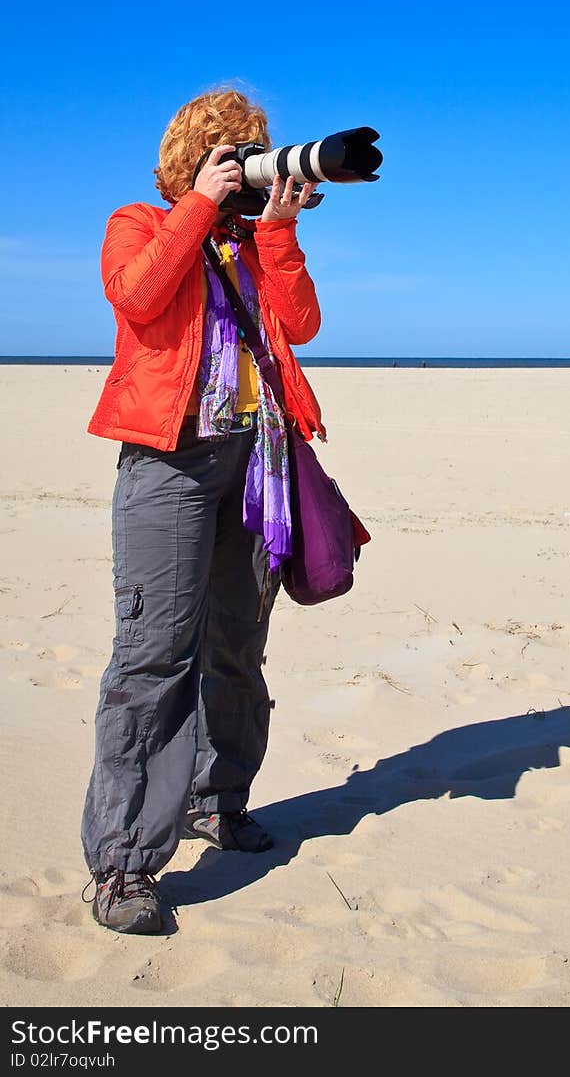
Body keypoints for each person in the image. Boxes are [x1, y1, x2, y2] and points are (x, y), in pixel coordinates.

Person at [81, 88, 324, 934]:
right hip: (168, 462)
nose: (247, 161)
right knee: (154, 660)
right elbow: (140, 299)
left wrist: (279, 229)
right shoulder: (143, 222)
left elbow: (302, 324)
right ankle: (123, 864)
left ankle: (218, 803)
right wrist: (199, 204)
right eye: (232, 151)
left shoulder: (252, 243)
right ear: (194, 156)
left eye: (254, 149)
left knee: (236, 653)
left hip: (255, 465)